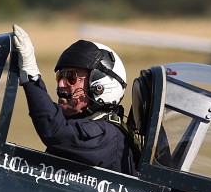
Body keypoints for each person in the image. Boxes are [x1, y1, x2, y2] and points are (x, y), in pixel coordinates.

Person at [12, 24, 139, 175]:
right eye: (60, 76)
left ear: (100, 87)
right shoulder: (85, 125)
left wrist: (31, 77)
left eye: (71, 78)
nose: (61, 84)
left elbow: (56, 131)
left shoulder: (107, 136)